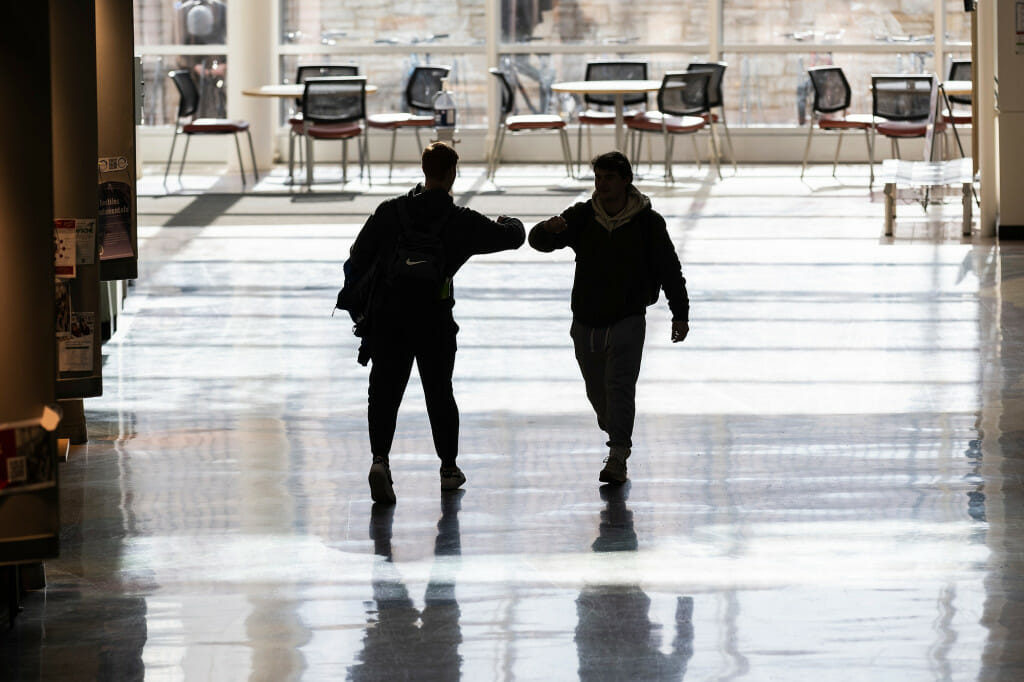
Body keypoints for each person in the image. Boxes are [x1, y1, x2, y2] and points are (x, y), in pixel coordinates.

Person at [346, 142, 525, 504]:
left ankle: (380, 459)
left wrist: (361, 310)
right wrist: (509, 221)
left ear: (424, 169)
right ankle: (448, 468)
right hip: (434, 320)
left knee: (383, 393)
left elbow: (356, 258)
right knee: (439, 393)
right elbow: (514, 238)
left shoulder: (390, 212)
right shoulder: (461, 221)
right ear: (451, 174)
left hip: (391, 320)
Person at [528, 151, 689, 484]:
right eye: (598, 178)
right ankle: (613, 426)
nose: (601, 185)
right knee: (597, 391)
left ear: (626, 180)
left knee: (619, 386)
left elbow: (669, 268)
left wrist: (680, 313)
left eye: (609, 178)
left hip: (628, 316)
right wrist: (547, 228)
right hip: (586, 318)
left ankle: (617, 453)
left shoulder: (648, 222)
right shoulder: (584, 216)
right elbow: (539, 243)